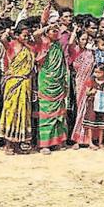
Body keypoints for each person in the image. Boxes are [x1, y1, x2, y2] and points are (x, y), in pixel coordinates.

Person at [0, 21, 34, 155]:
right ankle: (8, 145)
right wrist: (10, 32)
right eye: (24, 35)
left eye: (27, 35)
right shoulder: (12, 46)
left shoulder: (28, 48)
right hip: (13, 83)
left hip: (25, 84)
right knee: (11, 112)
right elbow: (2, 38)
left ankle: (18, 143)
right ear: (17, 35)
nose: (26, 38)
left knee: (23, 113)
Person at [35, 20, 69, 154]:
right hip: (47, 83)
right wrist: (48, 25)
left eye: (57, 30)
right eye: (53, 31)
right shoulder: (43, 43)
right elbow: (36, 34)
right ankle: (45, 144)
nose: (56, 32)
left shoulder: (58, 45)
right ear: (47, 32)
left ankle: (58, 141)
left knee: (60, 114)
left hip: (59, 83)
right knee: (47, 114)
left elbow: (62, 64)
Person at [68, 29, 95, 148]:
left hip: (89, 84)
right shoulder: (75, 51)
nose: (85, 41)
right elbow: (69, 44)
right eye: (83, 39)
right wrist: (74, 31)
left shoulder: (91, 53)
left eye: (87, 39)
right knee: (80, 111)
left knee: (89, 111)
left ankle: (89, 139)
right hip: (79, 83)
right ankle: (77, 139)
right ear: (78, 40)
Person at [83, 64, 104, 150]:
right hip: (92, 105)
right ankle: (90, 142)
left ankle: (100, 142)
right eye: (95, 72)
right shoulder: (91, 81)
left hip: (103, 105)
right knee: (91, 124)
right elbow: (87, 92)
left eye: (99, 72)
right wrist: (91, 92)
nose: (97, 74)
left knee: (101, 125)